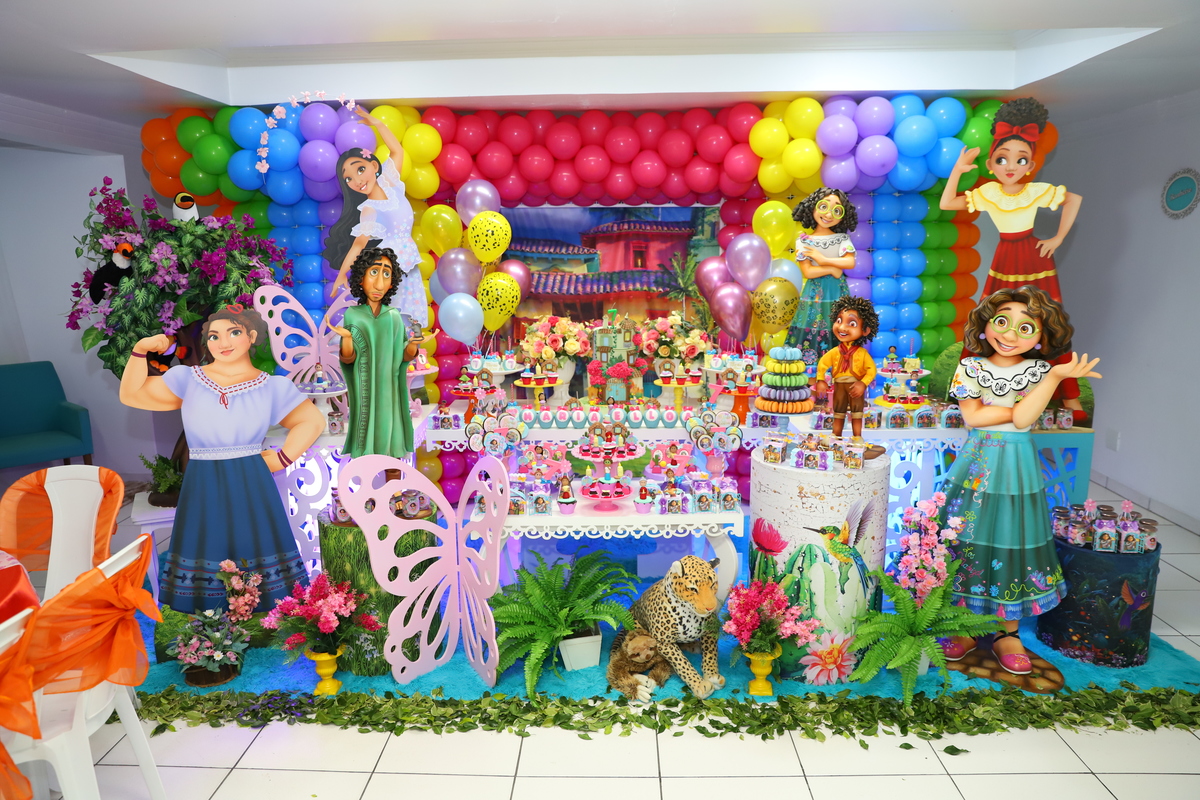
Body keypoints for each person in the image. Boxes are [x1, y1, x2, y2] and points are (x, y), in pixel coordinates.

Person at [119, 305, 325, 613]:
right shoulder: (188, 379)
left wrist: (283, 457)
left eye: (234, 332)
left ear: (251, 336)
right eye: (214, 336)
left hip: (250, 475)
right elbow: (132, 394)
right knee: (206, 538)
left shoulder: (271, 386)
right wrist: (139, 351)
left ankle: (261, 607)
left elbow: (312, 420)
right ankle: (207, 609)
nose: (223, 342)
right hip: (202, 476)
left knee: (254, 537)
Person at [939, 286, 1101, 676]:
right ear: (985, 325)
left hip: (1017, 466)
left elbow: (1025, 419)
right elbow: (973, 418)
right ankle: (964, 623)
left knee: (1013, 538)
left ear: (1042, 337)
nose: (1010, 334)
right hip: (977, 462)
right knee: (968, 535)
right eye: (1002, 322)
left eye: (1025, 328)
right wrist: (1014, 409)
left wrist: (1053, 378)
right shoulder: (971, 367)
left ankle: (1006, 632)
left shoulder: (1041, 372)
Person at [939, 97, 1086, 422]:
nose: (1011, 166)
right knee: (987, 318)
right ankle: (965, 392)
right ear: (991, 165)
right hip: (1005, 256)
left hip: (1034, 257)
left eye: (1021, 159)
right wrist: (957, 170)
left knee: (1049, 322)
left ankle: (1069, 396)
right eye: (1002, 158)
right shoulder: (989, 193)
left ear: (1030, 165)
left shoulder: (1035, 191)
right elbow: (947, 203)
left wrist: (1057, 238)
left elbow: (1073, 199)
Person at [330, 248, 436, 459]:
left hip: (389, 391)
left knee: (391, 442)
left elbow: (403, 357)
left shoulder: (393, 316)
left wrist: (413, 344)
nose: (379, 283)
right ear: (361, 278)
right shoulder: (353, 315)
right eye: (373, 272)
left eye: (386, 274)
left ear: (392, 282)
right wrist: (347, 339)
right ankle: (366, 479)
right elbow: (348, 359)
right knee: (366, 447)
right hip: (365, 390)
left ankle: (393, 479)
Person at [324, 107, 425, 327]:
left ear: (373, 165)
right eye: (349, 179)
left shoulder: (391, 183)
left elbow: (397, 150)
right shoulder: (368, 208)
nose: (357, 180)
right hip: (388, 267)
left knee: (409, 318)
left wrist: (378, 124)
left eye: (359, 170)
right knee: (389, 318)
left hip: (409, 262)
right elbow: (358, 244)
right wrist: (342, 274)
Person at [785, 188, 858, 352]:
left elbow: (850, 262)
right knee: (812, 325)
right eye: (824, 207)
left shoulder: (842, 239)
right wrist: (832, 268)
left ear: (843, 215)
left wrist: (823, 259)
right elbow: (808, 272)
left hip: (837, 292)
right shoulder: (804, 241)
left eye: (837, 210)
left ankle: (839, 363)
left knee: (839, 323)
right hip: (815, 294)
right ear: (813, 207)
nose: (829, 214)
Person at [813, 295, 879, 439]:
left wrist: (863, 383)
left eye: (852, 323)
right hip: (839, 386)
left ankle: (857, 437)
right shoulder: (835, 352)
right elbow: (823, 364)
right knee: (838, 411)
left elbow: (871, 370)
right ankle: (836, 435)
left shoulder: (862, 353)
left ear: (865, 331)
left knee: (857, 412)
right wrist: (820, 379)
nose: (842, 327)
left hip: (855, 386)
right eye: (839, 321)